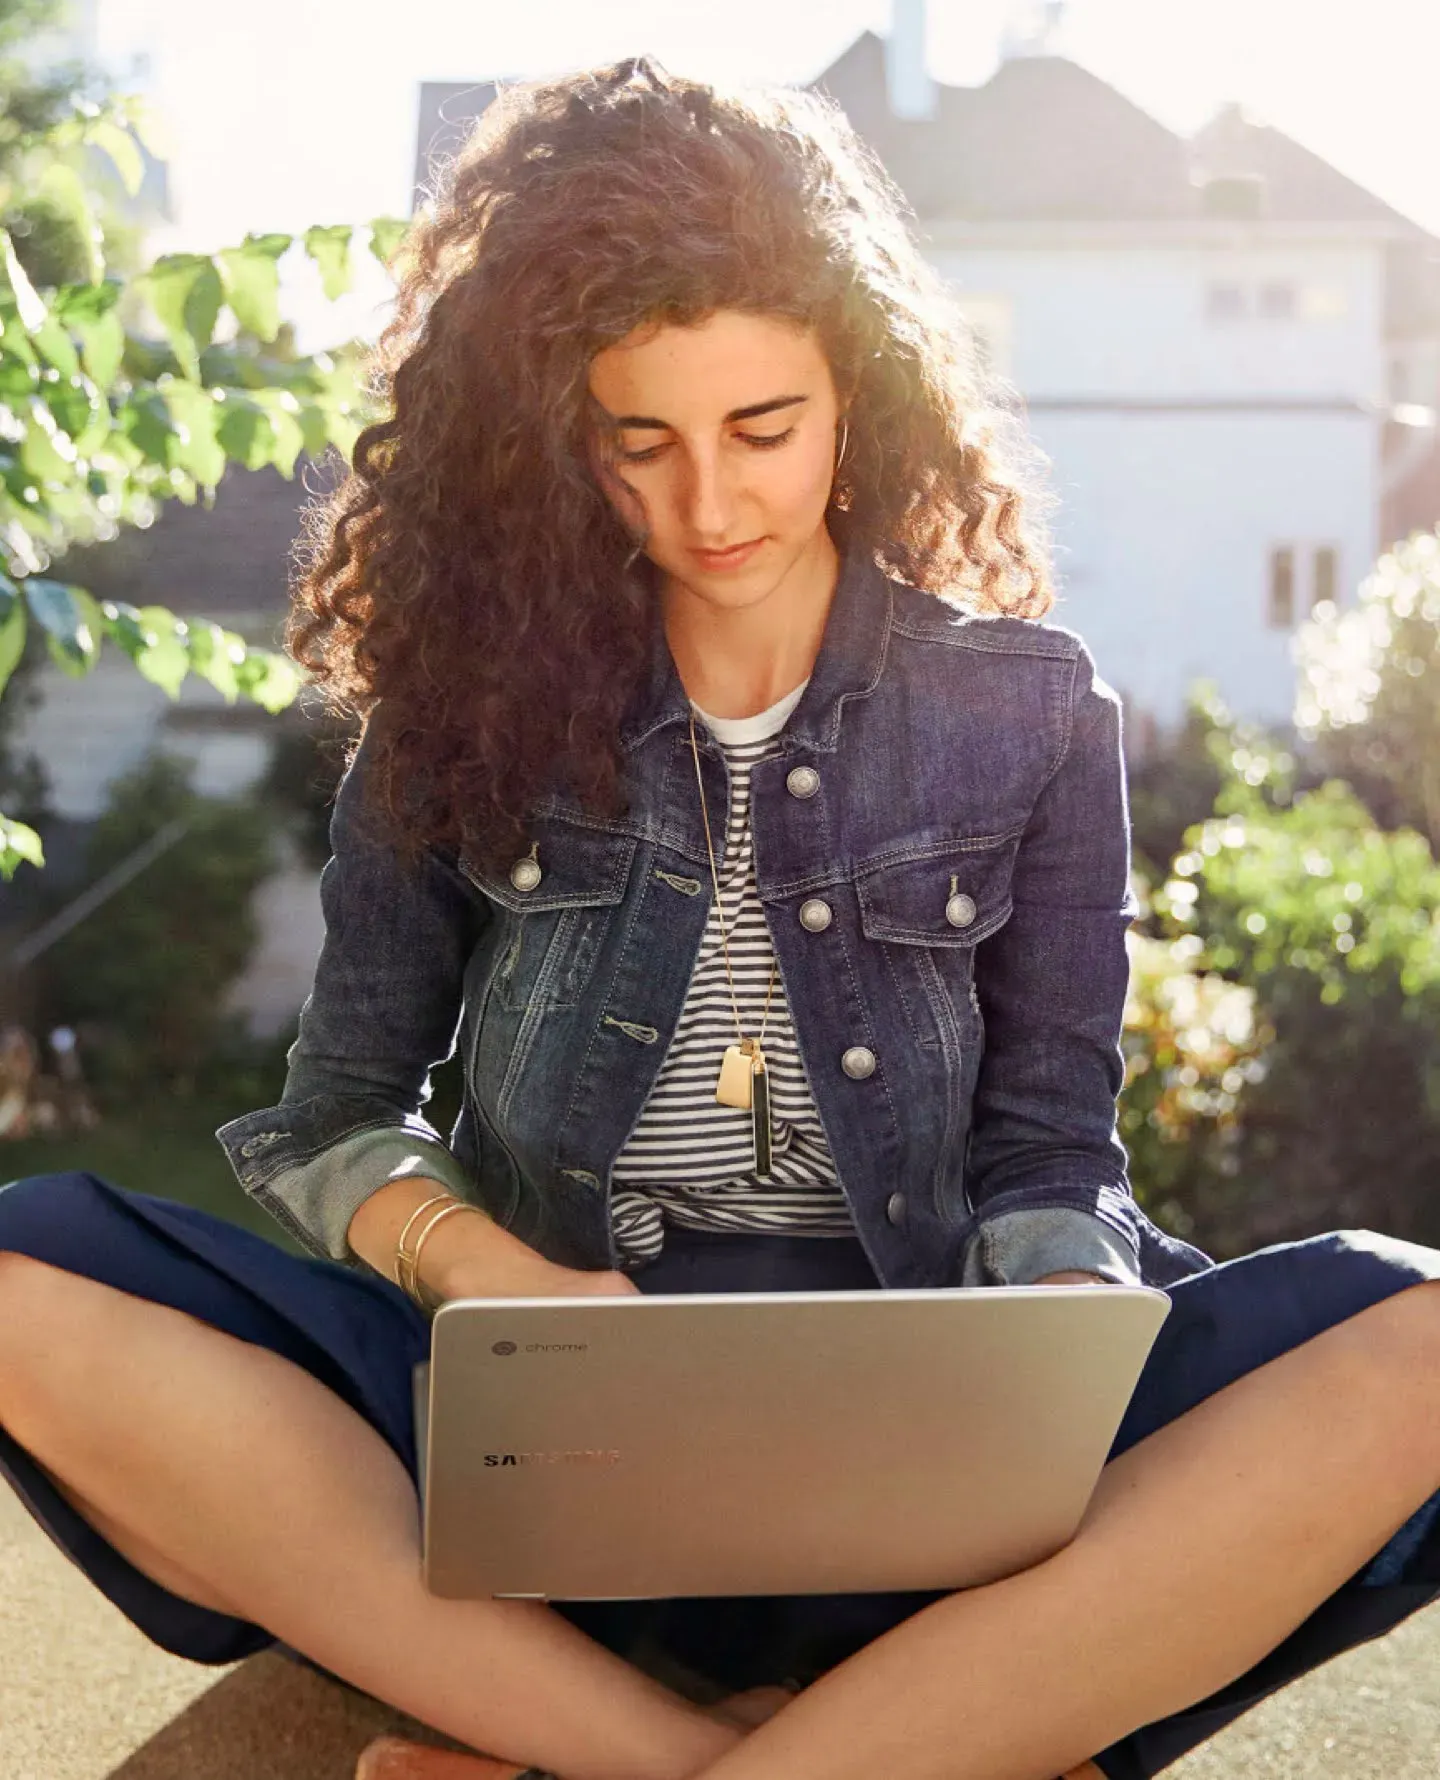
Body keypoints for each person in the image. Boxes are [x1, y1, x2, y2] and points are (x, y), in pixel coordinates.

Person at [1, 56, 1439, 1780]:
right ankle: (815, 1749)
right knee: (24, 1275)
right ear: (553, 445)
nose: (711, 504)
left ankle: (592, 1758)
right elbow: (336, 1115)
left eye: (764, 428)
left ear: (862, 398)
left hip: (926, 1406)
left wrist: (1049, 1343)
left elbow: (1054, 1150)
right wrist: (495, 1286)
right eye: (642, 443)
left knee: (1412, 1335)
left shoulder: (1037, 713)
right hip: (554, 1404)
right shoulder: (454, 710)